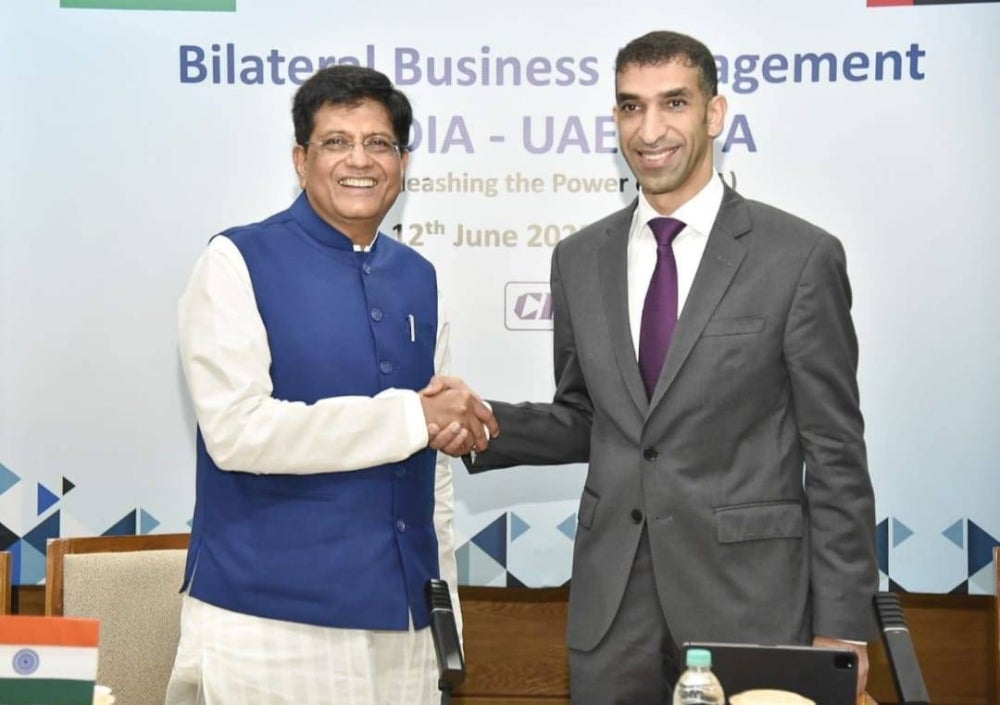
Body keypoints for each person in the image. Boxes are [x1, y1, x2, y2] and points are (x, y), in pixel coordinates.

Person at [428, 30, 877, 704]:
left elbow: (836, 452)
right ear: (616, 120)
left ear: (714, 113)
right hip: (613, 613)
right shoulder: (580, 259)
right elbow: (591, 419)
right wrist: (481, 423)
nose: (652, 128)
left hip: (751, 606)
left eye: (674, 102)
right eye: (632, 107)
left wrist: (843, 622)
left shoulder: (799, 257)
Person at [167, 64, 497, 705]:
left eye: (379, 143)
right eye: (336, 142)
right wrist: (410, 418)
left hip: (404, 624)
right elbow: (238, 433)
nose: (360, 160)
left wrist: (443, 605)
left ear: (402, 161)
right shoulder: (235, 262)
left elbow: (436, 475)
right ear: (300, 158)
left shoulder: (421, 278)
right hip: (271, 622)